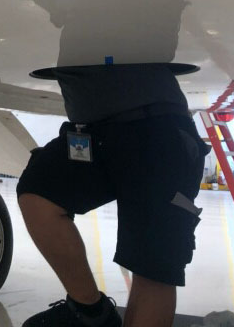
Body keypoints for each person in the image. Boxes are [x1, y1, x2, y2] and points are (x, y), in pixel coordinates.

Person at [17, 62, 210, 327]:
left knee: (153, 263)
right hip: (90, 132)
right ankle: (91, 314)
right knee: (38, 193)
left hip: (157, 128)